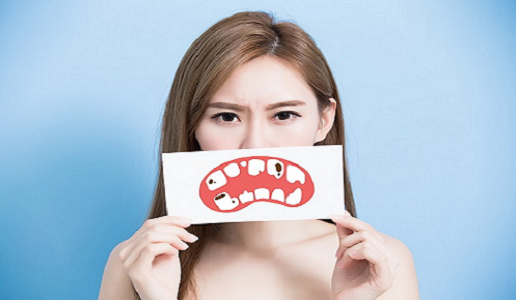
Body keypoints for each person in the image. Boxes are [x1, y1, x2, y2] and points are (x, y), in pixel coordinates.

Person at [98, 11, 419, 300]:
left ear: (324, 120)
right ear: (190, 125)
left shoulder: (382, 264)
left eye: (283, 115)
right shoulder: (137, 264)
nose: (256, 144)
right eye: (226, 116)